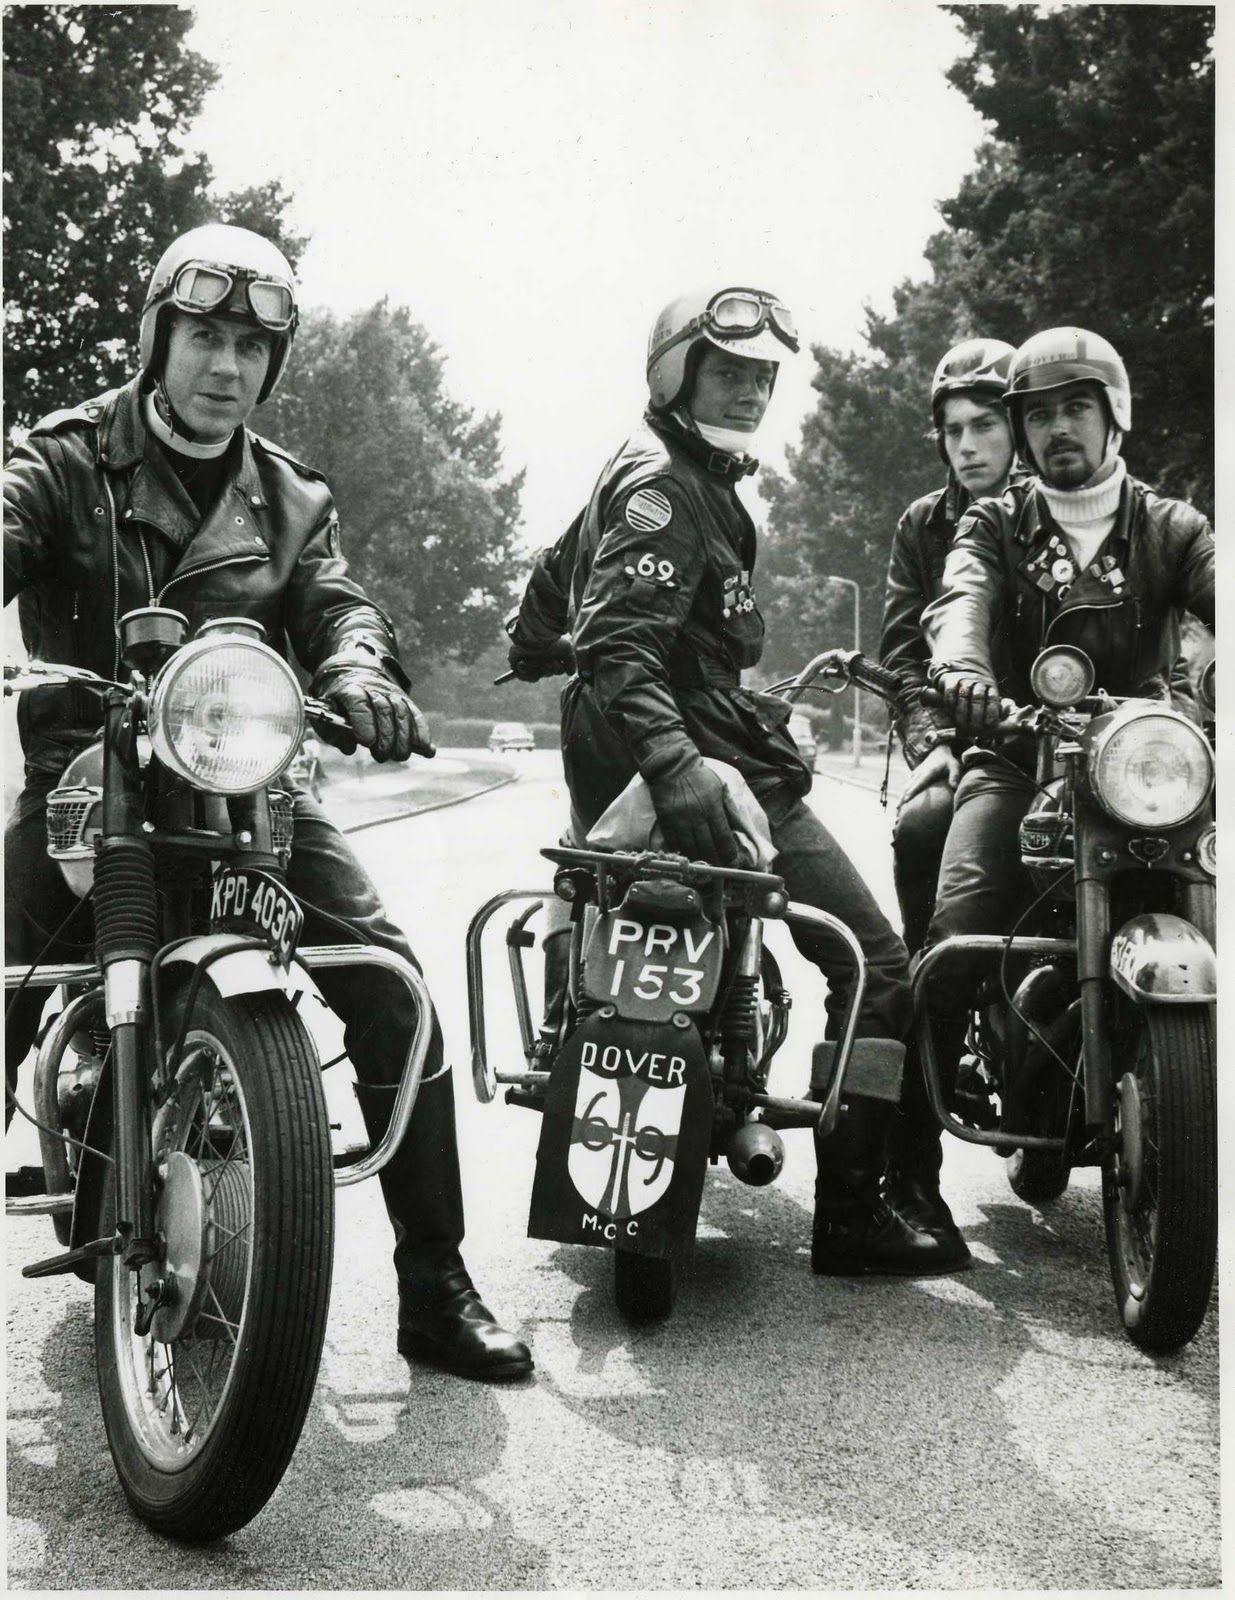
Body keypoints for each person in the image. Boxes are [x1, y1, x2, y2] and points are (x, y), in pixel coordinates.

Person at [3, 222, 532, 1380]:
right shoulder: (67, 457)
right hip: (87, 778)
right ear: (157, 337)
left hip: (245, 788)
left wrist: (359, 668)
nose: (226, 364)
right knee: (2, 979)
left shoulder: (291, 498)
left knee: (390, 984)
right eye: (204, 335)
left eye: (251, 346)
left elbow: (338, 605)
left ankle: (435, 1283)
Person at [515, 285, 962, 1275]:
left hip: (627, 746)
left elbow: (556, 582)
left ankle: (583, 1032)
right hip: (688, 755)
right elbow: (624, 646)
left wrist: (540, 641)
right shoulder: (669, 487)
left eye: (763, 375)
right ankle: (850, 1212)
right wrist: (679, 767)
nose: (752, 389)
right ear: (677, 373)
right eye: (728, 370)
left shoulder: (650, 470)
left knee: (585, 891)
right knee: (875, 964)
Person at [921, 326, 1214, 1067]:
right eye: (1039, 413)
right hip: (1017, 761)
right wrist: (964, 671)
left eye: (1076, 407)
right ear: (1022, 430)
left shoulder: (1174, 529)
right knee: (956, 934)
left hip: (1151, 774)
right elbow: (962, 598)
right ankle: (915, 1127)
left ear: (1114, 414)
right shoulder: (992, 523)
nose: (1058, 428)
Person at [877, 337, 1017, 1251]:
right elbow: (903, 650)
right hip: (964, 747)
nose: (967, 445)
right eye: (952, 430)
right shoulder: (925, 526)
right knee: (925, 837)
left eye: (985, 426)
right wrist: (930, 744)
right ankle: (910, 1173)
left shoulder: (1064, 513)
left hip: (1077, 748)